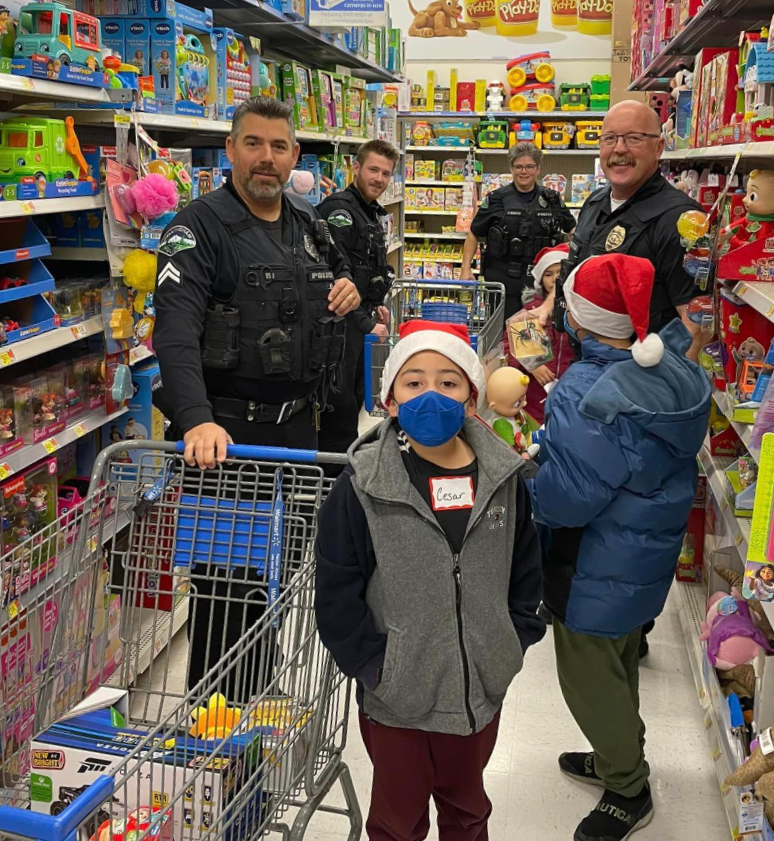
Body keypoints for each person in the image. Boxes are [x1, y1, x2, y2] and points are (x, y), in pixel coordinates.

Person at [153, 96, 361, 697]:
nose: (266, 159)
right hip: (226, 442)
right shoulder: (197, 229)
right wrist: (194, 419)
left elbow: (343, 283)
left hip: (300, 436)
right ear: (231, 151)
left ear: (294, 155)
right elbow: (175, 330)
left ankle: (258, 705)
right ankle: (216, 730)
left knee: (279, 577)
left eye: (278, 147)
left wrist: (347, 293)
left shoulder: (308, 223)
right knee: (227, 597)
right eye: (253, 144)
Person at [315, 320, 546, 841]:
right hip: (397, 698)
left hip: (479, 691)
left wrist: (510, 642)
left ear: (471, 400)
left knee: (468, 811)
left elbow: (526, 568)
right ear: (390, 399)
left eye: (448, 382)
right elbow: (336, 589)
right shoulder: (363, 487)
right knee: (397, 822)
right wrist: (377, 667)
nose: (430, 395)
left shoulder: (504, 481)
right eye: (413, 382)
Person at [530, 253, 711, 841]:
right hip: (642, 557)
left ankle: (627, 787)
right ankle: (617, 754)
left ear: (579, 322)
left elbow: (568, 499)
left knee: (585, 675)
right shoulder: (668, 368)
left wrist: (533, 474)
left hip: (593, 565)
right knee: (618, 662)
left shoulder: (584, 390)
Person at [536, 101, 705, 360]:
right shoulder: (595, 203)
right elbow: (575, 274)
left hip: (638, 386)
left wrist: (667, 391)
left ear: (659, 147)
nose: (619, 149)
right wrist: (547, 307)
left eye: (634, 138)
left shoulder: (680, 219)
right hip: (587, 367)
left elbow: (695, 322)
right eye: (609, 139)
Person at [318, 139, 400, 458]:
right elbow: (331, 279)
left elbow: (364, 269)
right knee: (338, 407)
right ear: (356, 168)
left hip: (359, 323)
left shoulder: (368, 212)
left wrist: (376, 306)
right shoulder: (339, 212)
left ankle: (345, 471)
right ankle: (333, 478)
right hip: (338, 326)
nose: (379, 179)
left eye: (386, 173)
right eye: (373, 170)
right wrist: (366, 323)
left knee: (354, 400)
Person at [462, 141, 576, 318]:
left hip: (542, 282)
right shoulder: (496, 199)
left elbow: (572, 230)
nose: (524, 172)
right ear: (511, 168)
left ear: (538, 169)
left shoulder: (552, 198)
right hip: (503, 280)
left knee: (541, 332)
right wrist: (465, 269)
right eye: (519, 167)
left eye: (529, 166)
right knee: (502, 334)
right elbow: (474, 233)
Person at [504, 244, 574, 425]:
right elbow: (507, 344)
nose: (555, 278)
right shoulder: (530, 311)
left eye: (560, 272)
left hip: (569, 389)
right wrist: (532, 365)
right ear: (540, 280)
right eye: (548, 274)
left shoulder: (578, 311)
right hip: (535, 393)